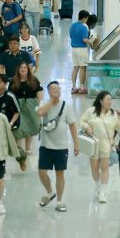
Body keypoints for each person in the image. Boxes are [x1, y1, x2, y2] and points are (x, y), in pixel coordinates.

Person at [36, 81, 79, 212]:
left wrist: (76, 144)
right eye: (52, 89)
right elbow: (41, 113)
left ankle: (59, 201)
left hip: (61, 147)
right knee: (42, 172)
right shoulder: (44, 104)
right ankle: (50, 192)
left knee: (60, 174)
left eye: (57, 89)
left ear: (61, 91)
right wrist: (51, 101)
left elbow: (72, 125)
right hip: (45, 145)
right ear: (48, 92)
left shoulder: (67, 106)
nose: (55, 91)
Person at [80, 91, 120, 203]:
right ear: (101, 100)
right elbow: (81, 121)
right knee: (94, 169)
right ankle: (98, 185)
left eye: (111, 99)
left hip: (106, 145)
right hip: (93, 144)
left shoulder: (114, 113)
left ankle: (103, 191)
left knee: (104, 168)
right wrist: (86, 127)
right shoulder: (91, 111)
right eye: (107, 99)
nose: (110, 102)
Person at [9, 62, 42, 155]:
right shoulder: (14, 81)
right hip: (18, 105)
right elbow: (10, 94)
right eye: (21, 68)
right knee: (19, 127)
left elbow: (39, 92)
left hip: (31, 105)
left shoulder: (34, 80)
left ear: (28, 70)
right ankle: (18, 148)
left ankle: (28, 148)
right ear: (18, 70)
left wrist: (40, 104)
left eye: (24, 68)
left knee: (30, 125)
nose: (23, 69)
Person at [70, 10, 91, 94]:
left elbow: (71, 36)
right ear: (85, 18)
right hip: (82, 49)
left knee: (75, 67)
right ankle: (82, 87)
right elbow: (85, 39)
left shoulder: (72, 26)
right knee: (83, 67)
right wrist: (92, 42)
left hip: (74, 49)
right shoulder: (84, 27)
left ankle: (74, 87)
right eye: (87, 18)